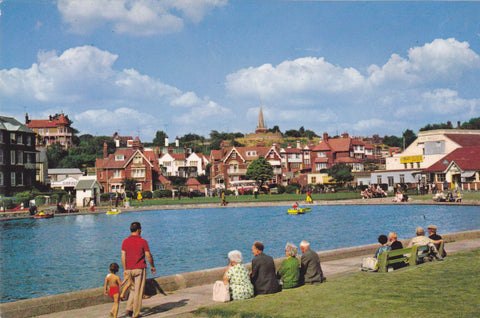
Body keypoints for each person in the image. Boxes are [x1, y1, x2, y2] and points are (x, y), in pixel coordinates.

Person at [121, 222, 156, 318]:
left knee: (133, 288)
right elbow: (148, 255)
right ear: (138, 230)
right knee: (138, 291)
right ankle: (135, 314)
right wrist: (152, 266)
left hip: (129, 269)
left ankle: (129, 308)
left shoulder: (125, 241)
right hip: (139, 268)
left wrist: (125, 269)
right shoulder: (143, 241)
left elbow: (123, 256)